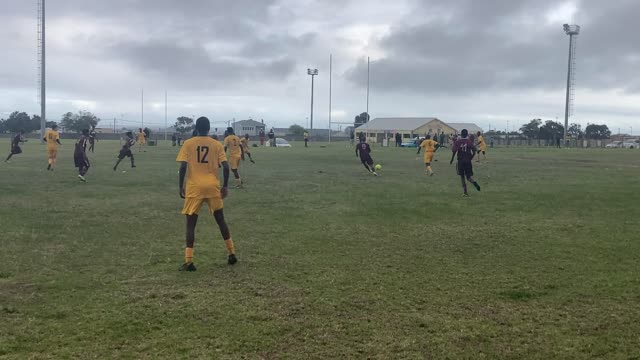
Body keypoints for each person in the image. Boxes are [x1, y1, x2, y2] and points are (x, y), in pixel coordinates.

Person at [177, 117, 237, 271]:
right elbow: (225, 167)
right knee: (221, 220)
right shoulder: (216, 144)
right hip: (212, 187)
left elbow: (183, 167)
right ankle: (231, 253)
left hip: (194, 187)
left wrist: (180, 186)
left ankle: (189, 261)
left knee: (191, 225)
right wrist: (224, 186)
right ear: (209, 129)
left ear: (196, 128)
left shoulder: (188, 143)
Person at [450, 129, 481, 197]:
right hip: (468, 161)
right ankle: (474, 182)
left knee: (462, 177)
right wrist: (471, 157)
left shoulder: (458, 141)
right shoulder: (469, 141)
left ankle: (465, 192)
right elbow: (474, 150)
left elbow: (454, 151)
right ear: (467, 135)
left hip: (461, 161)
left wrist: (452, 159)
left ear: (461, 134)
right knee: (468, 177)